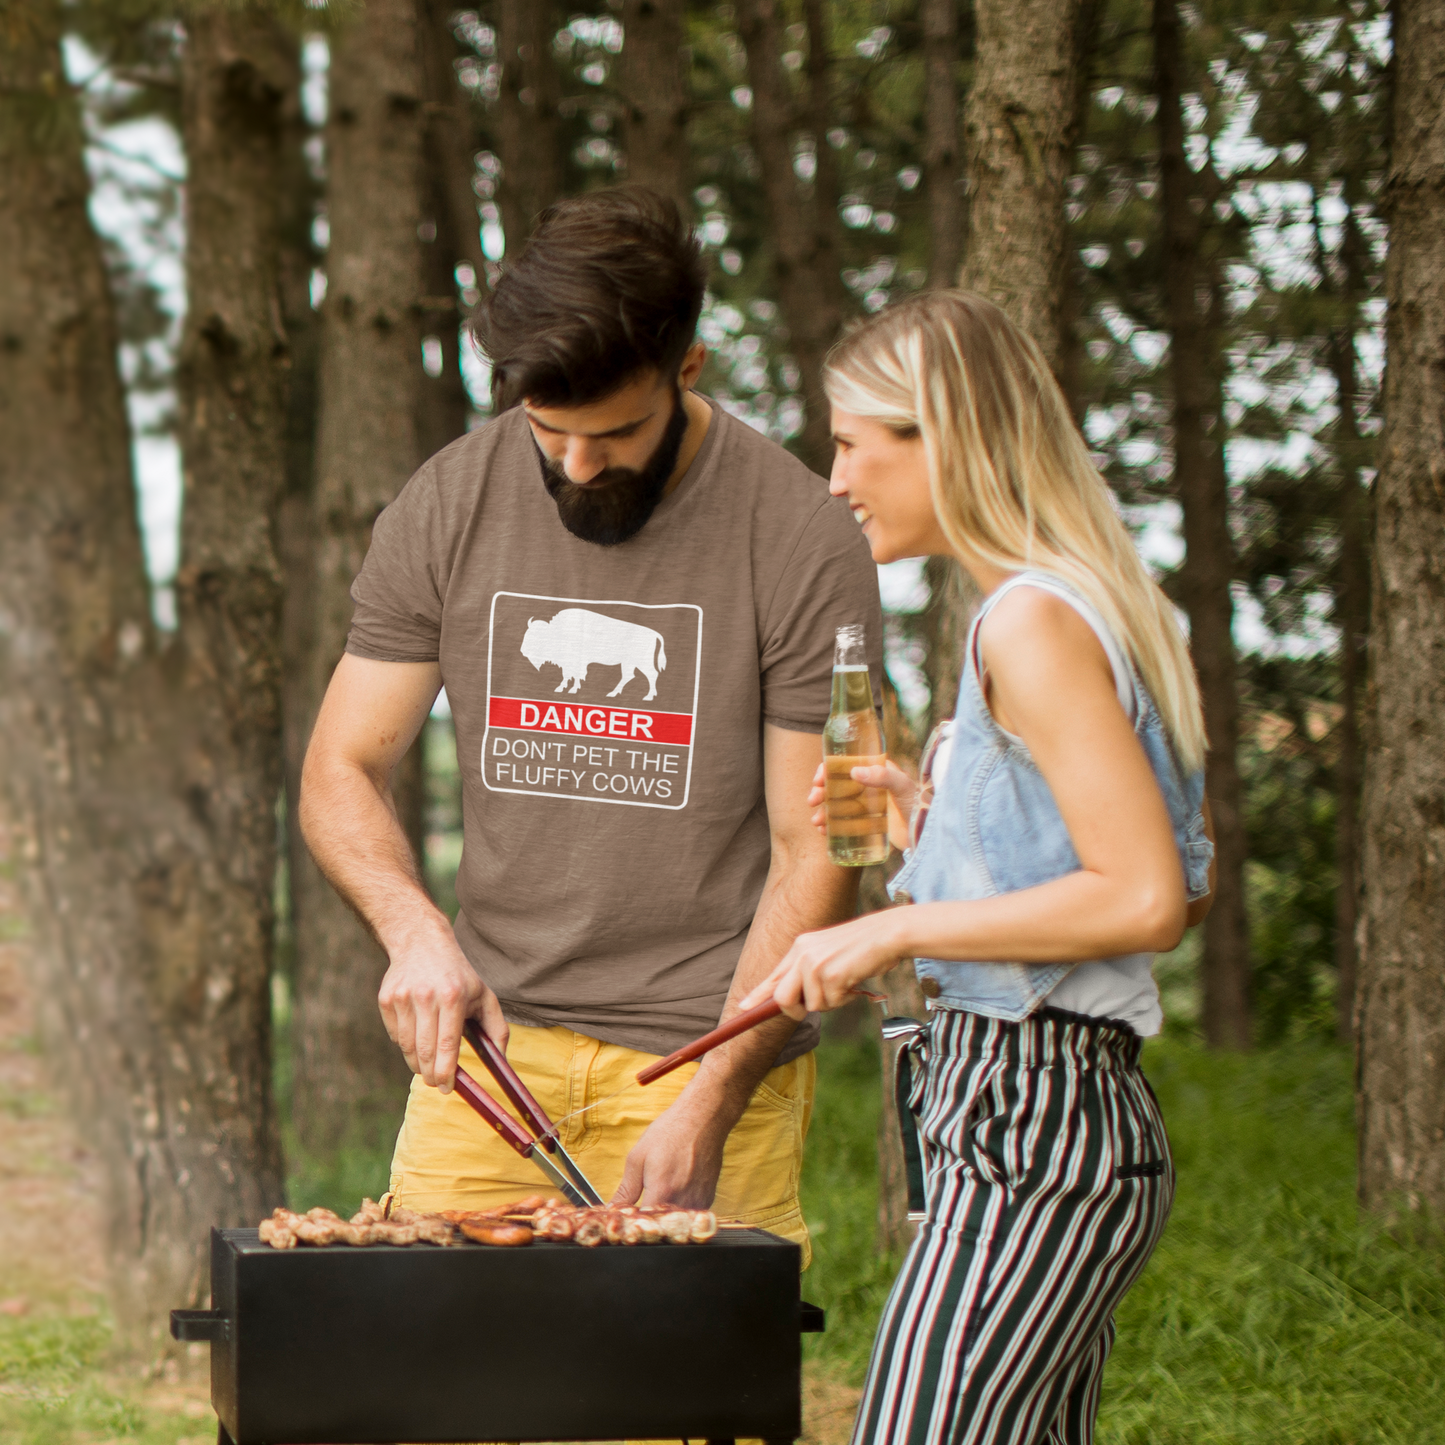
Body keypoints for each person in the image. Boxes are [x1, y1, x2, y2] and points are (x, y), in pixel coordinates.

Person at [298, 187, 881, 1254]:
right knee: (427, 1354)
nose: (574, 466)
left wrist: (713, 1094)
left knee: (687, 1360)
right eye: (546, 431)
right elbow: (342, 764)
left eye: (613, 433)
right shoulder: (447, 502)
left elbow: (821, 846)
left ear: (687, 366)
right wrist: (414, 932)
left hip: (704, 1058)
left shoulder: (803, 538)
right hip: (492, 1055)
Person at [741, 290, 1216, 1443]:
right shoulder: (1080, 600)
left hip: (1034, 1128)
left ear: (941, 436)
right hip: (1030, 1117)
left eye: (852, 443)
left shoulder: (1029, 621)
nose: (835, 479)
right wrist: (931, 824)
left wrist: (891, 926)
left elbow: (1146, 899)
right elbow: (1144, 874)